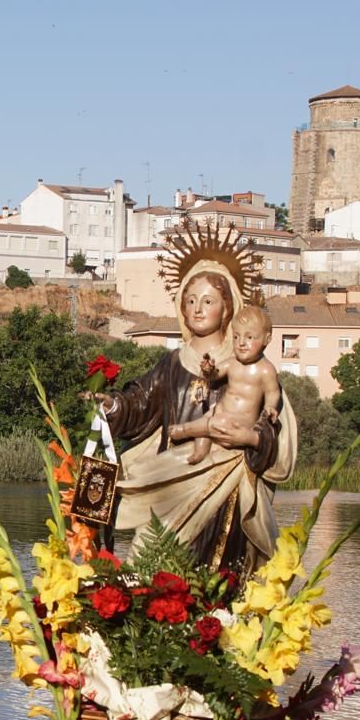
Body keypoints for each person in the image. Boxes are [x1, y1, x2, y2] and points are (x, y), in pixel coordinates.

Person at [91, 228, 297, 572]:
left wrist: (248, 439)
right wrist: (113, 406)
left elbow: (273, 428)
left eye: (208, 301)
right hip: (173, 475)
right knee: (148, 562)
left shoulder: (249, 366)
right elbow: (140, 403)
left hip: (225, 485)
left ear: (227, 307)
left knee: (213, 575)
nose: (197, 309)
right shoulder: (173, 363)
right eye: (190, 300)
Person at [169, 305, 280, 465]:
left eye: (249, 338)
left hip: (239, 424)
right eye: (236, 337)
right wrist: (208, 370)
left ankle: (185, 430)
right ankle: (200, 451)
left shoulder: (266, 370)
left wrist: (270, 407)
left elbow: (273, 392)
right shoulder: (232, 363)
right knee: (208, 418)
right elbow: (215, 375)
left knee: (212, 423)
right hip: (220, 413)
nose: (241, 343)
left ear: (266, 339)